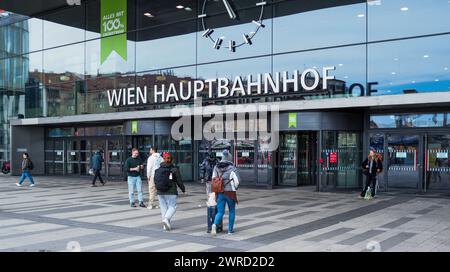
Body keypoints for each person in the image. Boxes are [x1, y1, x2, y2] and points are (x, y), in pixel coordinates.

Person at [211, 149, 240, 236]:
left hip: (220, 192)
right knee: (231, 211)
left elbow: (213, 179)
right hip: (230, 193)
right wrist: (235, 187)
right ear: (230, 158)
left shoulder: (216, 167)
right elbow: (237, 181)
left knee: (220, 212)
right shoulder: (232, 168)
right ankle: (230, 230)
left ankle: (214, 225)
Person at [155, 152, 185, 231]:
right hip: (171, 191)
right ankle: (166, 219)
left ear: (163, 159)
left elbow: (155, 180)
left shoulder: (158, 169)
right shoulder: (174, 169)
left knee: (163, 208)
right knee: (173, 206)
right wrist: (183, 189)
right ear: (171, 159)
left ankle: (165, 225)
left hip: (160, 191)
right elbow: (179, 181)